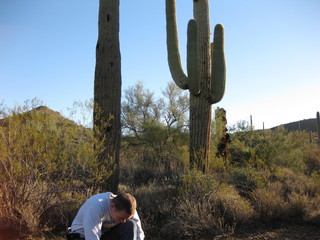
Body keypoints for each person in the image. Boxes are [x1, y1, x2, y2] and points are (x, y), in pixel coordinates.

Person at [69, 192, 145, 240]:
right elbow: (92, 238)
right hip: (82, 236)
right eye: (121, 218)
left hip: (103, 235)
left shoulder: (127, 208)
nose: (123, 221)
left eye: (126, 218)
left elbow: (139, 234)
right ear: (112, 206)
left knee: (130, 224)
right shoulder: (95, 207)